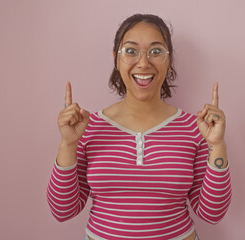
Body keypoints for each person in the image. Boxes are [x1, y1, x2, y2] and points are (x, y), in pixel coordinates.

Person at [47, 14, 232, 240]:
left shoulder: (196, 128)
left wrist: (217, 145)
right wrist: (68, 144)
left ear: (169, 60)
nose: (144, 63)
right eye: (131, 51)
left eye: (156, 52)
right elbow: (63, 211)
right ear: (116, 58)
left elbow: (211, 213)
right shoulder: (87, 127)